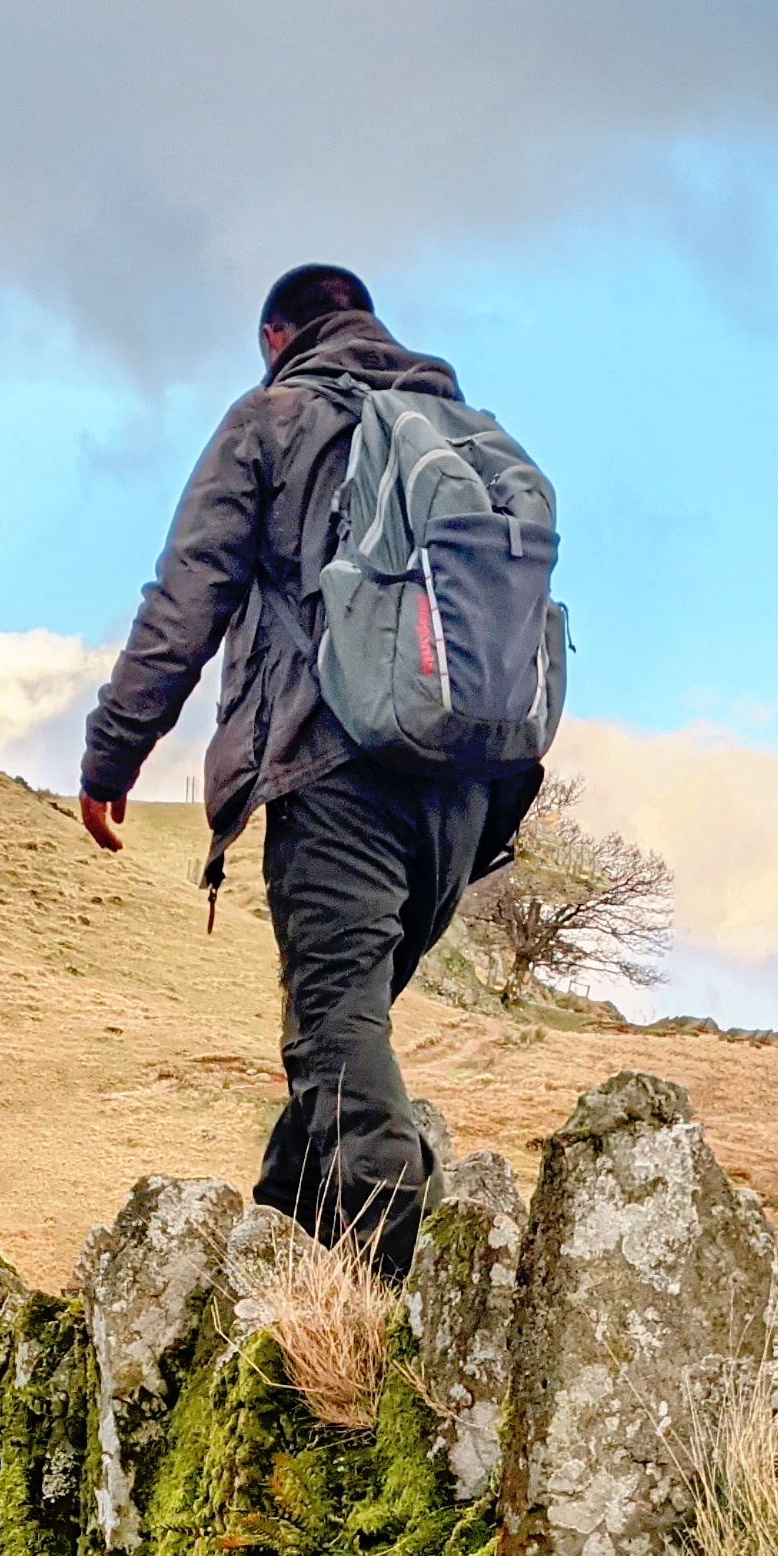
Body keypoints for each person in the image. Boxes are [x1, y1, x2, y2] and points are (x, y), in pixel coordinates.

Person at [76, 263, 544, 1281]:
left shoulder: (273, 416)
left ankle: (392, 1304)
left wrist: (113, 753)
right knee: (340, 1030)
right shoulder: (461, 431)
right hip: (467, 789)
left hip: (335, 769)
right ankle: (283, 1261)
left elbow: (185, 597)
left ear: (276, 334)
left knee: (335, 1030)